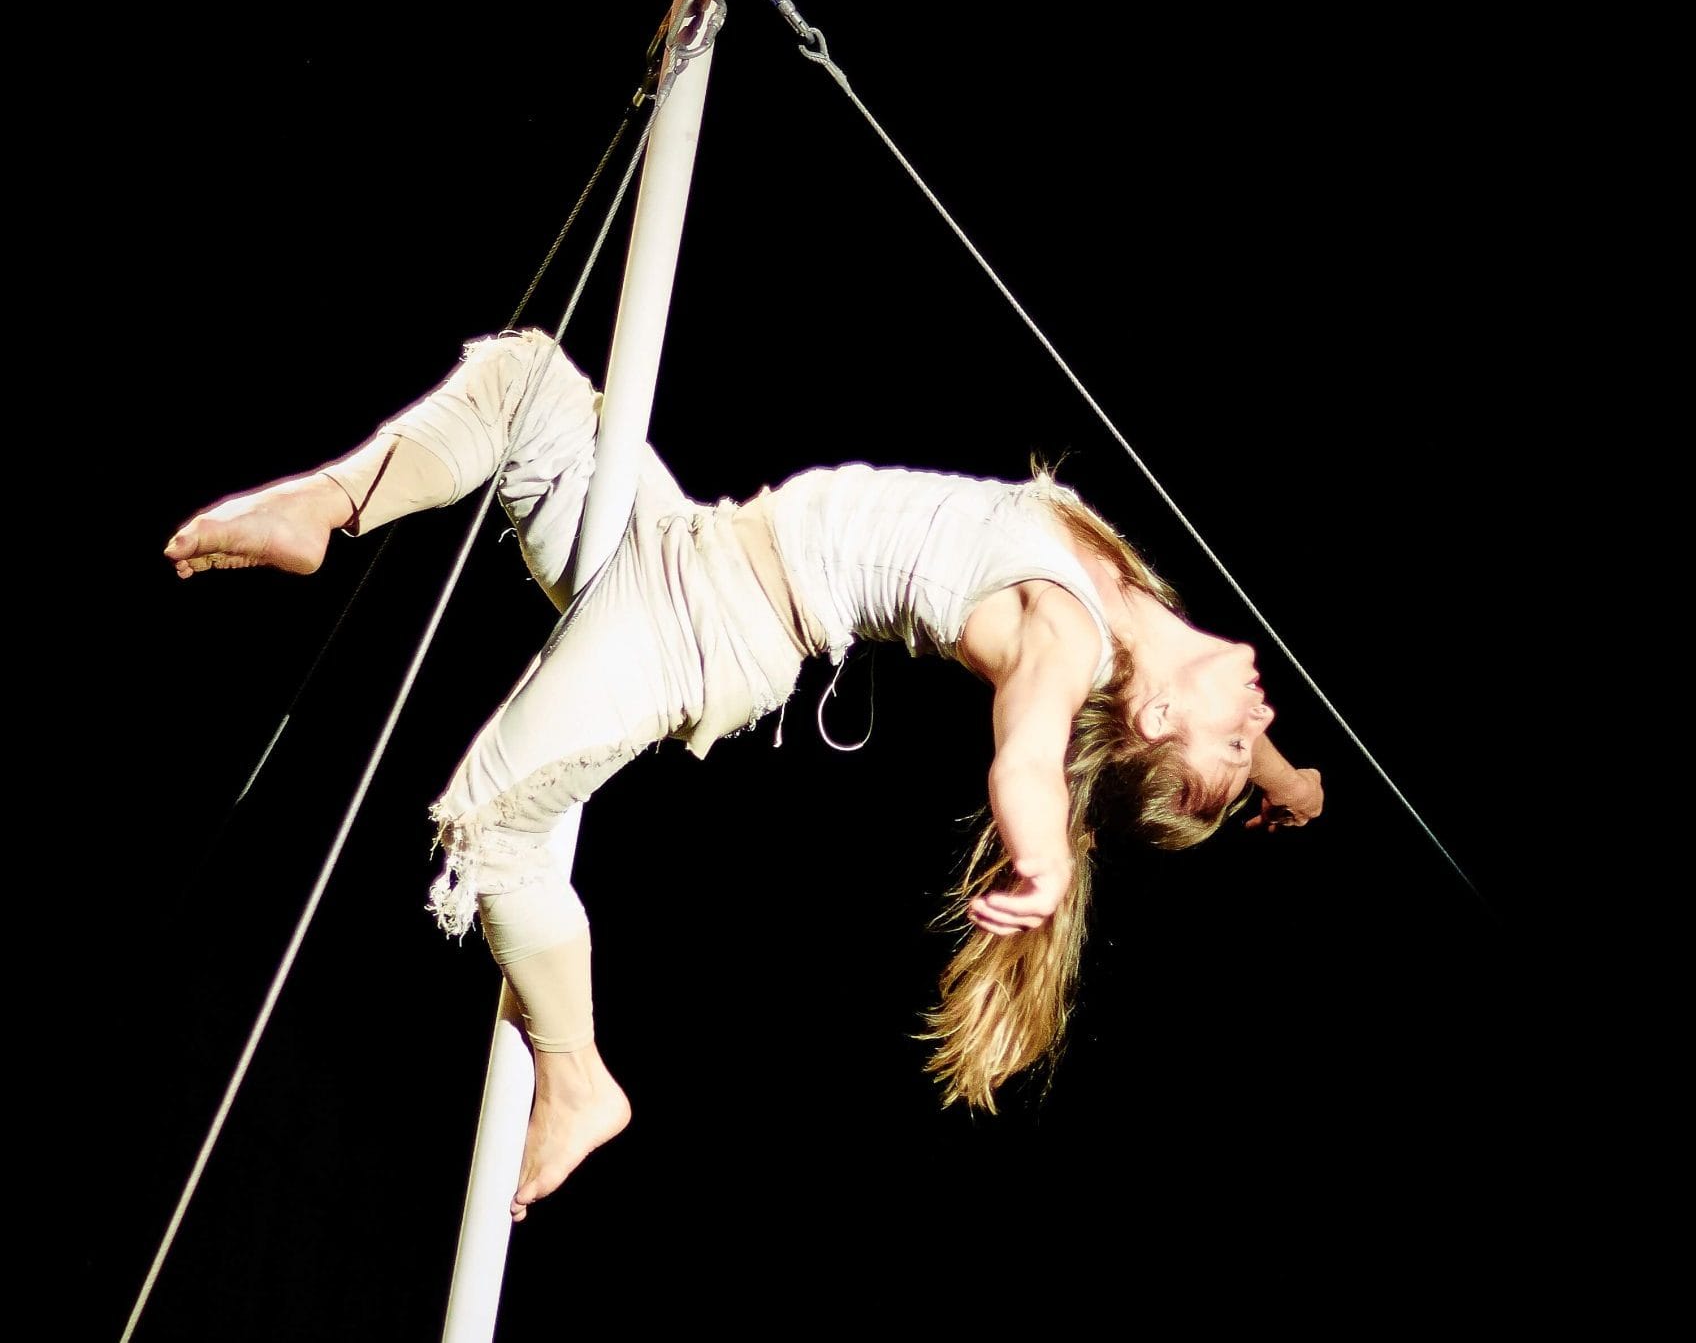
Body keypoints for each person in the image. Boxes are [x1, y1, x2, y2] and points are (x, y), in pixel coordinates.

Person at [164, 327, 1323, 1219]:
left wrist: (1044, 855)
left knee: (491, 826)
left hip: (703, 622)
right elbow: (1220, 723)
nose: (1257, 713)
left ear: (1155, 713)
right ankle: (323, 504)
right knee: (522, 378)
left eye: (1233, 740)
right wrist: (1283, 774)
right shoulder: (1145, 617)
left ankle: (578, 1080)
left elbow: (1027, 750)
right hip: (689, 542)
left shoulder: (1068, 640)